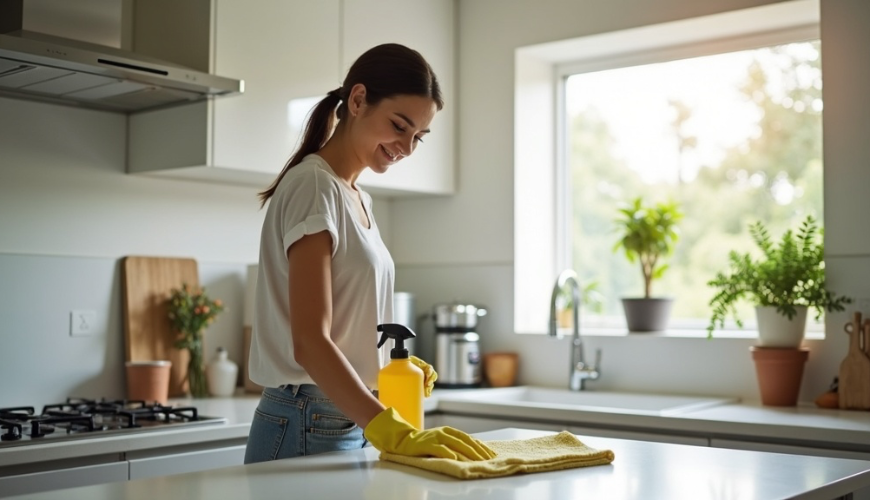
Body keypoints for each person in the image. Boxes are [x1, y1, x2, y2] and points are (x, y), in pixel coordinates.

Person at [244, 43, 496, 464]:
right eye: (400, 126)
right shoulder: (314, 187)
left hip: (345, 416)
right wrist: (386, 429)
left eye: (418, 136)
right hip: (310, 417)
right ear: (358, 100)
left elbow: (340, 321)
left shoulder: (356, 197)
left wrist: (385, 359)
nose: (408, 147)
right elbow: (309, 342)